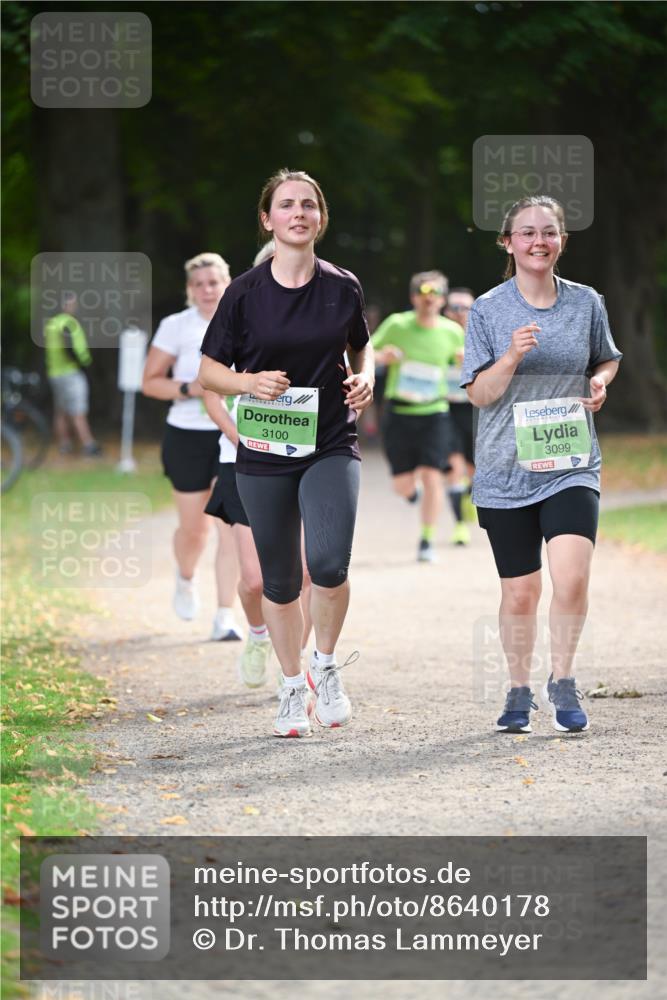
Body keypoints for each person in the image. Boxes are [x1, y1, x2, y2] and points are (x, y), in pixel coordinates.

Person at [199, 168, 374, 738]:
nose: (298, 213)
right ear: (267, 218)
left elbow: (361, 350)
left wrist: (365, 380)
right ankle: (291, 683)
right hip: (265, 448)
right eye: (286, 205)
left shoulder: (343, 286)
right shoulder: (244, 292)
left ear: (320, 218)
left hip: (329, 441)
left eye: (308, 205)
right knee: (277, 582)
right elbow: (208, 373)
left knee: (327, 563)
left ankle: (325, 667)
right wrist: (249, 385)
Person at [461, 196, 621, 735]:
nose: (539, 242)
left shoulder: (586, 303)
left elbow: (607, 356)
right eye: (526, 233)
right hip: (506, 469)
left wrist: (598, 382)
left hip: (571, 462)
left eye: (548, 233)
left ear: (561, 241)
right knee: (521, 591)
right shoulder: (487, 309)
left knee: (571, 578)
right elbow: (479, 396)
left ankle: (564, 679)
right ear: (508, 243)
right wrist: (509, 356)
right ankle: (518, 689)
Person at [142, 253, 242, 640]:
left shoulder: (244, 320)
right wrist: (189, 388)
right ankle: (185, 578)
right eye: (198, 284)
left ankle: (224, 616)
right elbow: (150, 381)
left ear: (227, 282)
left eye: (213, 282)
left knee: (231, 529)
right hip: (186, 435)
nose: (207, 290)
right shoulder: (176, 326)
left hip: (230, 434)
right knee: (194, 530)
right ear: (189, 290)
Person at [371, 271, 464, 562]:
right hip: (398, 412)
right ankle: (411, 493)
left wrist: (464, 360)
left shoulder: (452, 331)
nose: (429, 300)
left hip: (435, 412)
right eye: (423, 295)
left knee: (433, 475)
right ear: (414, 298)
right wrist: (382, 356)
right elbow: (365, 352)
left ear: (442, 299)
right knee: (403, 485)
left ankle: (426, 540)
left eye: (435, 295)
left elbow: (464, 366)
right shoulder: (397, 324)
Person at [44, 292, 102, 456]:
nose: (74, 306)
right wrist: (82, 364)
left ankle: (64, 444)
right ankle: (88, 444)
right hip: (71, 372)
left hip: (54, 372)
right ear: (65, 305)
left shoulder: (51, 324)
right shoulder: (68, 324)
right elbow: (70, 347)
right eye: (72, 303)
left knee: (61, 411)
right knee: (78, 411)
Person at [444, 287, 477, 544]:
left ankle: (469, 498)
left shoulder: (483, 335)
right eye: (454, 307)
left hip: (477, 409)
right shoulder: (438, 334)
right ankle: (458, 525)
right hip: (446, 409)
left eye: (465, 307)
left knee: (474, 469)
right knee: (454, 467)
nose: (459, 313)